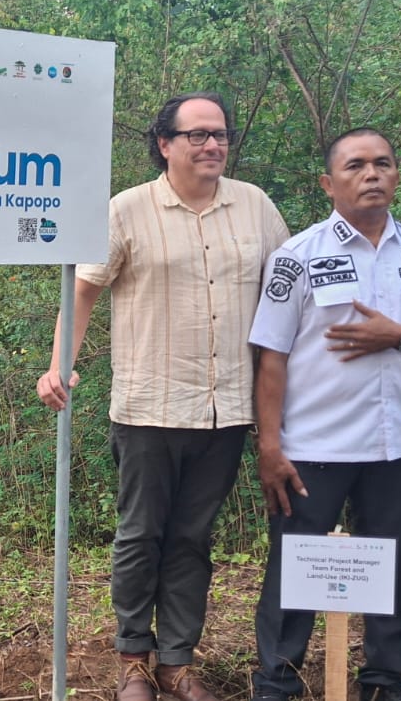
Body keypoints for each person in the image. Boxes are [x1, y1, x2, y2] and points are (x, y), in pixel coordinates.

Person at [35, 92, 289, 701]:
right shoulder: (125, 211)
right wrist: (58, 367)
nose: (212, 145)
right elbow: (84, 292)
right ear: (165, 144)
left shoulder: (255, 207)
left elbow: (287, 296)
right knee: (140, 535)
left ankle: (177, 661)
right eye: (197, 134)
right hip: (149, 406)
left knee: (192, 538)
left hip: (226, 408)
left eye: (220, 134)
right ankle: (134, 660)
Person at [247, 129, 401, 701]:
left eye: (383, 164)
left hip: (400, 446)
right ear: (328, 182)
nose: (371, 174)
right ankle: (278, 681)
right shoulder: (296, 257)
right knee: (293, 571)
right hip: (313, 447)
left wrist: (400, 336)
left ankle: (384, 680)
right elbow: (270, 358)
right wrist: (270, 448)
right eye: (355, 166)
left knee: (396, 567)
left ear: (397, 175)